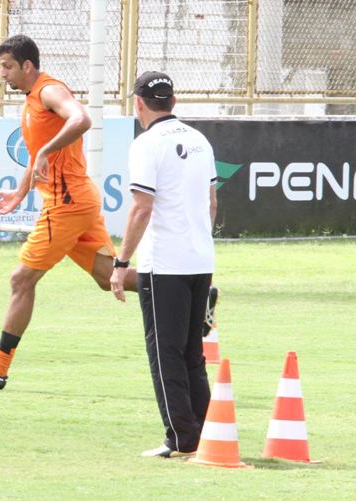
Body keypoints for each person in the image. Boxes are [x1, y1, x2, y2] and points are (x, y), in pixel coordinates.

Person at [0, 34, 138, 389]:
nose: (3, 74)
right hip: (76, 201)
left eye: (7, 67)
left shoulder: (49, 91)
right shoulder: (31, 101)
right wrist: (20, 193)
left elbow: (81, 119)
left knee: (21, 280)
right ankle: (191, 293)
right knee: (107, 278)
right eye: (0, 67)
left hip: (67, 204)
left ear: (27, 65)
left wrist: (43, 152)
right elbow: (40, 154)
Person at [110, 71, 218, 458]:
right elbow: (211, 204)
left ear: (138, 103)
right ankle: (208, 432)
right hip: (200, 258)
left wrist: (121, 263)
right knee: (192, 353)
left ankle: (181, 438)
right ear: (173, 102)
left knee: (165, 353)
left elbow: (141, 209)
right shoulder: (200, 140)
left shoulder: (146, 144)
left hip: (166, 263)